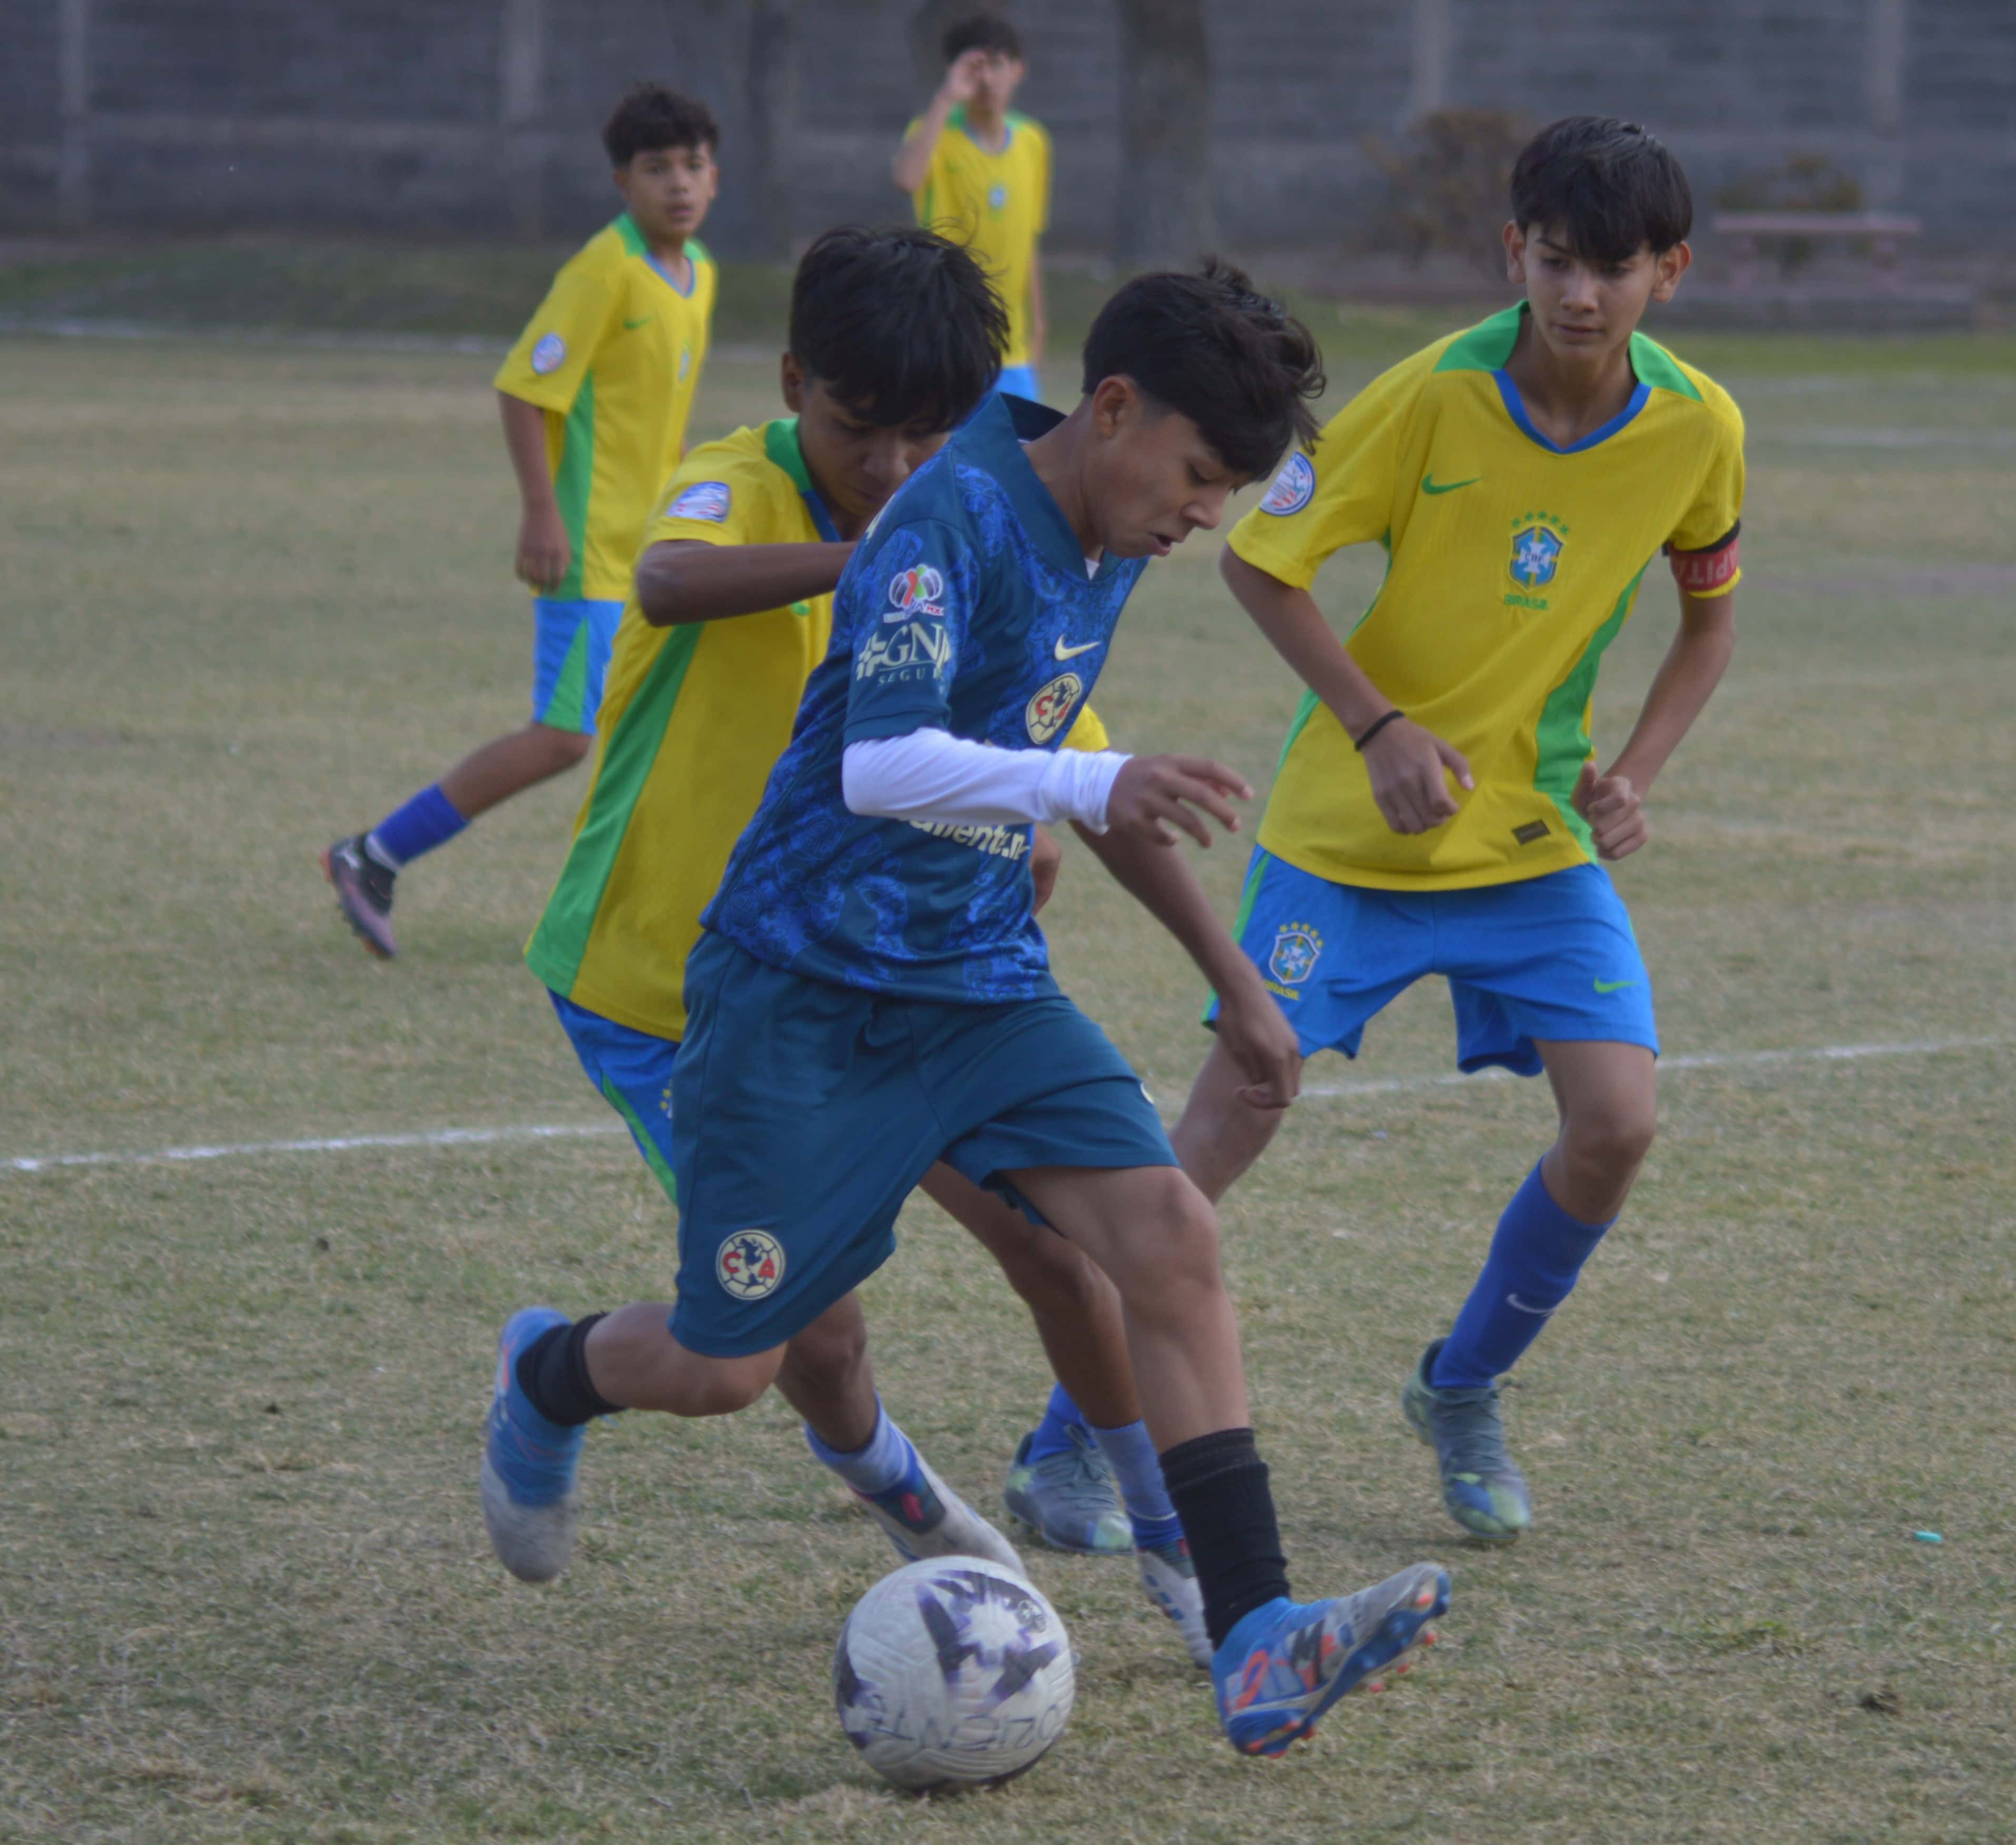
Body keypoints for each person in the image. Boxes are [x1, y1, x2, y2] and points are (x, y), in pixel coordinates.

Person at [481, 259, 1450, 1760]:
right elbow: (886, 764)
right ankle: (549, 1366)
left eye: (1224, 491)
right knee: (730, 1364)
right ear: (1114, 409)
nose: (1200, 514)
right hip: (799, 992)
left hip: (980, 978)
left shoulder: (1113, 515)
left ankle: (1255, 1628)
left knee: (1164, 1238)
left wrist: (1236, 983)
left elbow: (1085, 763)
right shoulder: (947, 519)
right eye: (1197, 475)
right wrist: (1081, 781)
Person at [506, 224, 1207, 1662]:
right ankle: (601, 1386)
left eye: (924, 437)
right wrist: (871, 548)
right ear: (794, 385)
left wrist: (1083, 850)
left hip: (907, 987)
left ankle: (1174, 1542)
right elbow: (665, 581)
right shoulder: (742, 478)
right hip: (677, 990)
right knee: (780, 1347)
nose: (890, 465)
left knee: (1063, 1251)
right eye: (854, 428)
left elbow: (1057, 746)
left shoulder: (992, 526)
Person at [1166, 115, 1745, 1544]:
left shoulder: (1698, 427)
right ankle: (1080, 1439)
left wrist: (1638, 769)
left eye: (1614, 269)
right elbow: (1262, 557)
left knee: (1617, 1122)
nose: (1580, 296)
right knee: (1221, 1131)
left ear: (1670, 271)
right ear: (1515, 253)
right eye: (1556, 261)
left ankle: (1463, 1385)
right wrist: (1376, 727)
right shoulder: (1429, 394)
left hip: (1532, 843)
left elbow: (1709, 617)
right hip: (1344, 842)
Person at [322, 84, 721, 958]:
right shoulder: (603, 270)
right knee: (562, 738)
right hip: (588, 553)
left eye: (692, 165)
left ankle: (655, 911)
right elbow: (522, 385)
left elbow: (659, 420)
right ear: (623, 182)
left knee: (661, 728)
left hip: (651, 555)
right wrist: (542, 510)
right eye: (657, 169)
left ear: (715, 177)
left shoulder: (699, 277)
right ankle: (373, 854)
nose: (679, 185)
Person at [890, 13, 1048, 403]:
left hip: (1012, 348)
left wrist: (1039, 320)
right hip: (947, 337)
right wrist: (945, 98)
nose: (986, 80)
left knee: (1018, 459)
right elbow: (907, 179)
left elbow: (1028, 239)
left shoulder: (1033, 142)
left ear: (1018, 70)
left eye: (996, 66)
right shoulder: (933, 132)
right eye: (974, 68)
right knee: (946, 459)